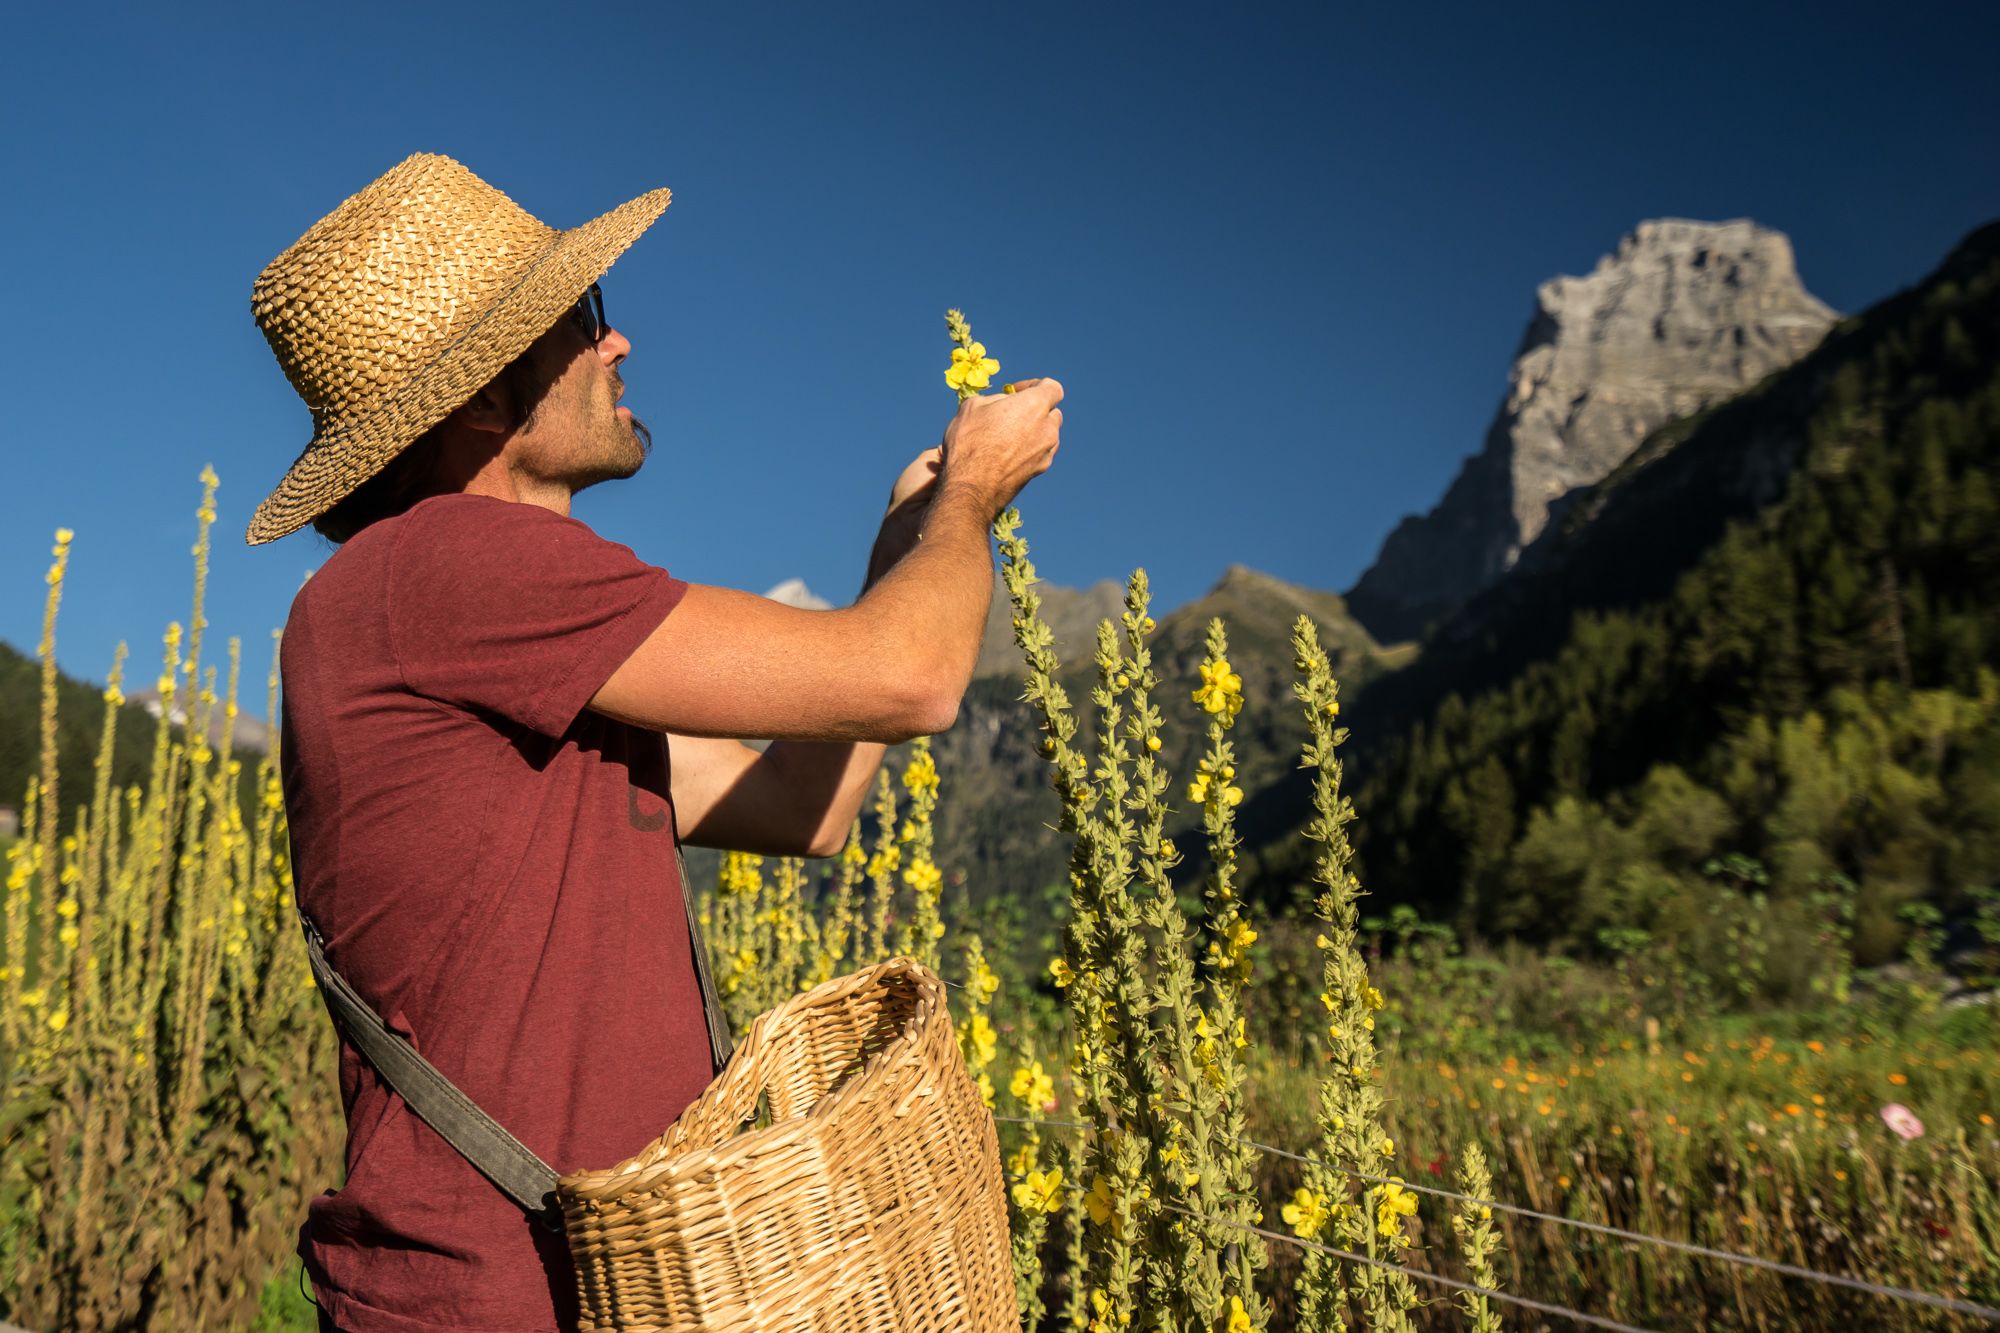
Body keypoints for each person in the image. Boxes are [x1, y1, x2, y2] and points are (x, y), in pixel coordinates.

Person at [245, 152, 1062, 1333]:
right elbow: (912, 678)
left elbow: (800, 809)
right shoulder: (456, 564)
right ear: (481, 393)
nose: (618, 344)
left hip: (586, 1289)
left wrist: (901, 556)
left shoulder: (496, 638)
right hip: (506, 1300)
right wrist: (970, 501)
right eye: (581, 320)